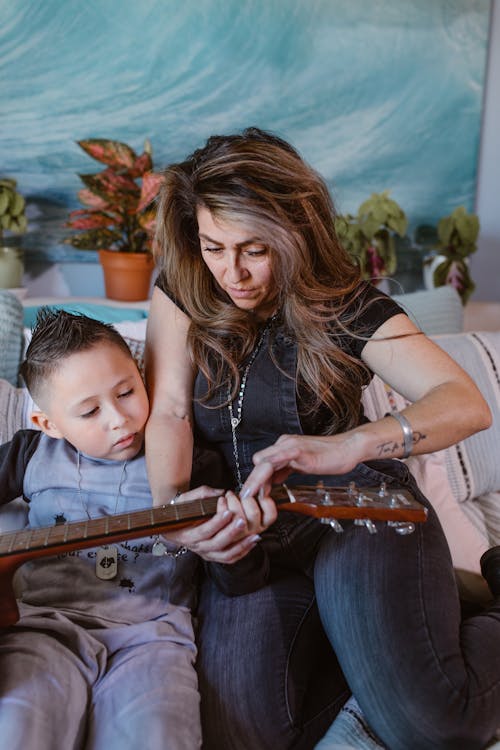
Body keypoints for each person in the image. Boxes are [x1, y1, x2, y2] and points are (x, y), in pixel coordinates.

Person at [145, 126, 500, 750]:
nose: (233, 272)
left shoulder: (347, 307)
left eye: (254, 249)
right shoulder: (183, 288)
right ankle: (413, 629)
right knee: (241, 736)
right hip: (250, 536)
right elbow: (170, 410)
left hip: (357, 510)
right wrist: (174, 513)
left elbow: (465, 403)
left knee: (433, 724)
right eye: (214, 246)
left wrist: (351, 445)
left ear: (295, 231)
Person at [0, 309, 223, 750]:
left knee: (159, 735)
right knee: (19, 725)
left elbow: (238, 570)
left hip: (154, 637)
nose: (119, 419)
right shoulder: (30, 454)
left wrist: (229, 542)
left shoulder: (191, 459)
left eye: (126, 392)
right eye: (89, 411)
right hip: (43, 628)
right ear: (49, 425)